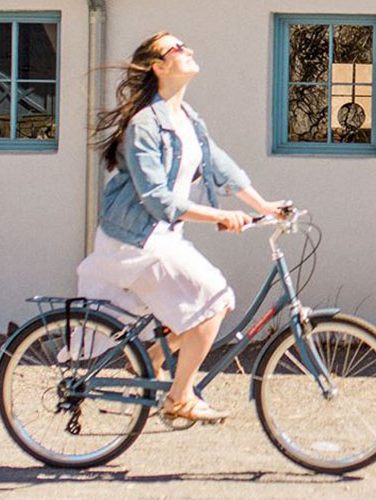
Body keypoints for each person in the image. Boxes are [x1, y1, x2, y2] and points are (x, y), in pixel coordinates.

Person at [79, 31, 286, 422]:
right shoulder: (144, 125)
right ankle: (179, 397)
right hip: (133, 242)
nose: (188, 50)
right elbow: (157, 198)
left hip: (159, 237)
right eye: (176, 48)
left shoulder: (187, 118)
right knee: (212, 301)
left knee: (216, 301)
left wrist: (265, 207)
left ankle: (152, 356)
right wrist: (220, 216)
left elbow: (218, 165)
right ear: (158, 67)